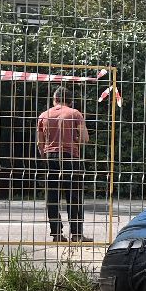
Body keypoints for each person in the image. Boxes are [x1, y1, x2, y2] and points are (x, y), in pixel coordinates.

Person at [36, 85, 90, 242]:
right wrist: (74, 140)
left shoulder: (43, 116)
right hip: (70, 157)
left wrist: (45, 156)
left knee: (52, 197)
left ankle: (56, 234)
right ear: (71, 101)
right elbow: (85, 138)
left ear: (54, 99)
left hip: (50, 157)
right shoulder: (75, 114)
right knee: (74, 196)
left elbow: (40, 142)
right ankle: (77, 234)